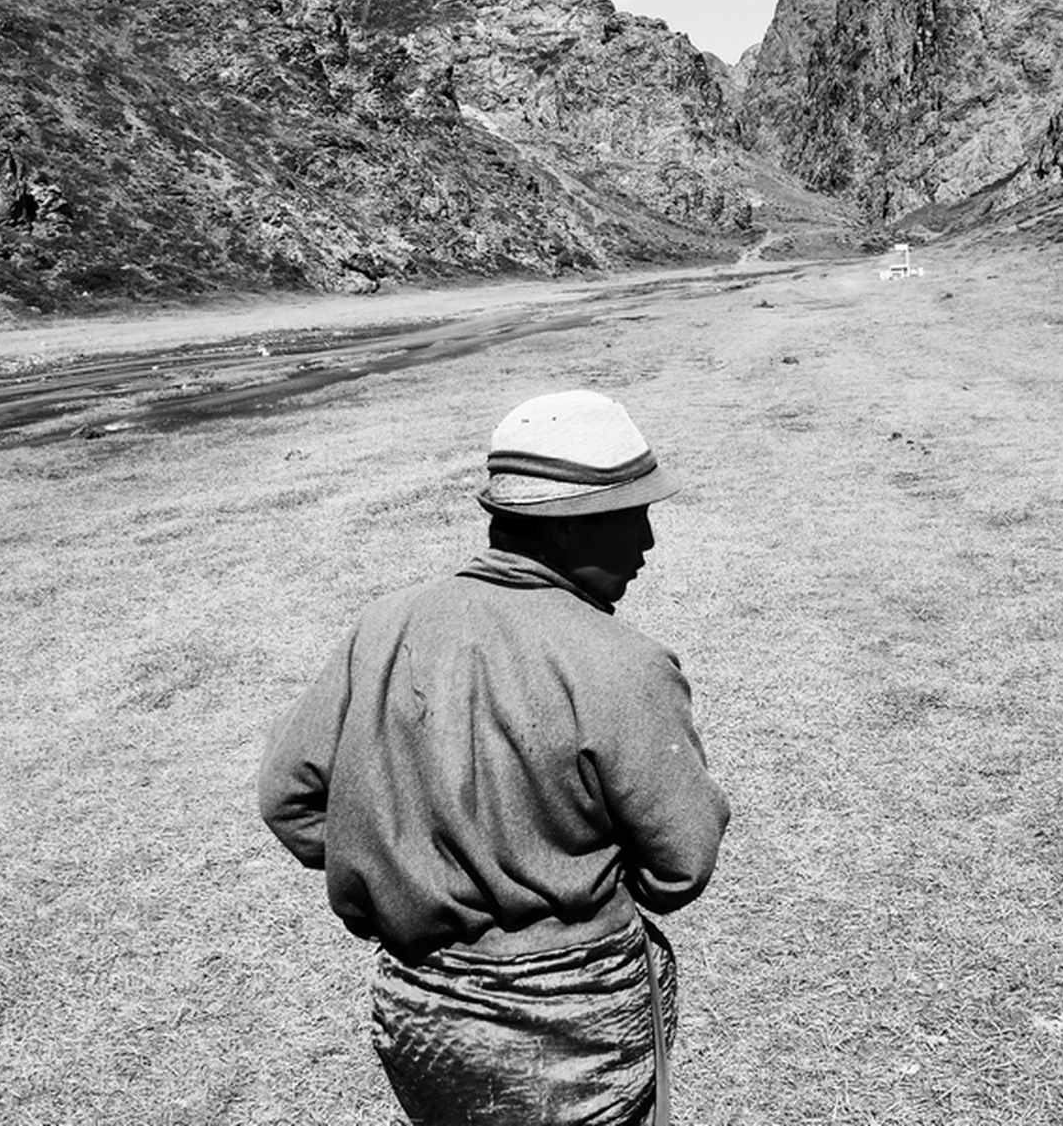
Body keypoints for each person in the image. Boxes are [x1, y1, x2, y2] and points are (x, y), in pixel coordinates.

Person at [257, 388, 731, 1126]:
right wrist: (557, 882)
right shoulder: (622, 663)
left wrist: (409, 866)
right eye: (633, 517)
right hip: (577, 1024)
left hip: (421, 1016)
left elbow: (289, 795)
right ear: (569, 528)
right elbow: (682, 860)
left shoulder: (384, 626)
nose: (647, 544)